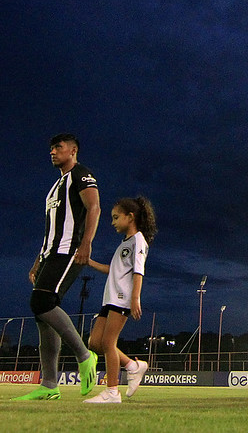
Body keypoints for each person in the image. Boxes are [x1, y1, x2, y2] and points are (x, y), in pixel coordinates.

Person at [12, 134, 100, 401]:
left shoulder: (81, 174)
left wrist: (86, 243)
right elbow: (51, 230)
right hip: (51, 254)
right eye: (51, 148)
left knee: (42, 302)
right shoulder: (55, 188)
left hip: (68, 251)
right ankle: (50, 384)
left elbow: (94, 207)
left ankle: (84, 355)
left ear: (73, 151)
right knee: (42, 317)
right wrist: (38, 261)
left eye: (58, 148)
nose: (52, 152)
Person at [84, 197, 157, 403]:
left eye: (116, 217)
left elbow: (138, 271)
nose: (113, 222)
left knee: (108, 343)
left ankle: (112, 392)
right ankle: (133, 366)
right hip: (109, 298)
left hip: (122, 298)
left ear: (130, 217)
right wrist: (89, 263)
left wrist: (135, 298)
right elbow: (113, 270)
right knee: (95, 342)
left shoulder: (138, 240)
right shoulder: (124, 243)